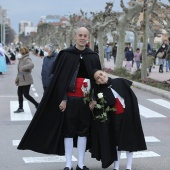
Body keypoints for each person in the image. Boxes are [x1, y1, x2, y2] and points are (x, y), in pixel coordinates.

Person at [17, 27, 102, 170]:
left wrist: (94, 99)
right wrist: (63, 99)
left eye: (85, 36)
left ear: (88, 38)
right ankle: (68, 164)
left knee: (84, 131)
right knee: (68, 131)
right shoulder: (65, 55)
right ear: (75, 36)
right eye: (80, 35)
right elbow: (59, 80)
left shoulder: (93, 56)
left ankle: (81, 164)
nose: (82, 38)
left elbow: (96, 80)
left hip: (86, 102)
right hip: (69, 99)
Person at [92, 70, 147, 170]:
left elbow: (132, 98)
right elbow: (103, 107)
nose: (101, 77)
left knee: (129, 141)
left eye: (101, 74)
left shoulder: (120, 82)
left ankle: (128, 167)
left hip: (127, 117)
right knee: (116, 143)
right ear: (97, 82)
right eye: (98, 78)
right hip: (115, 119)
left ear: (105, 73)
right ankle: (116, 167)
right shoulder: (101, 92)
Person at [14, 46, 39, 113]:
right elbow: (20, 72)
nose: (19, 53)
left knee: (26, 95)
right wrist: (17, 79)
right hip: (22, 80)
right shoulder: (21, 59)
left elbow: (31, 65)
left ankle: (37, 105)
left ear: (22, 52)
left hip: (26, 80)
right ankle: (20, 108)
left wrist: (23, 67)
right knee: (19, 93)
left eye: (19, 52)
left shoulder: (26, 58)